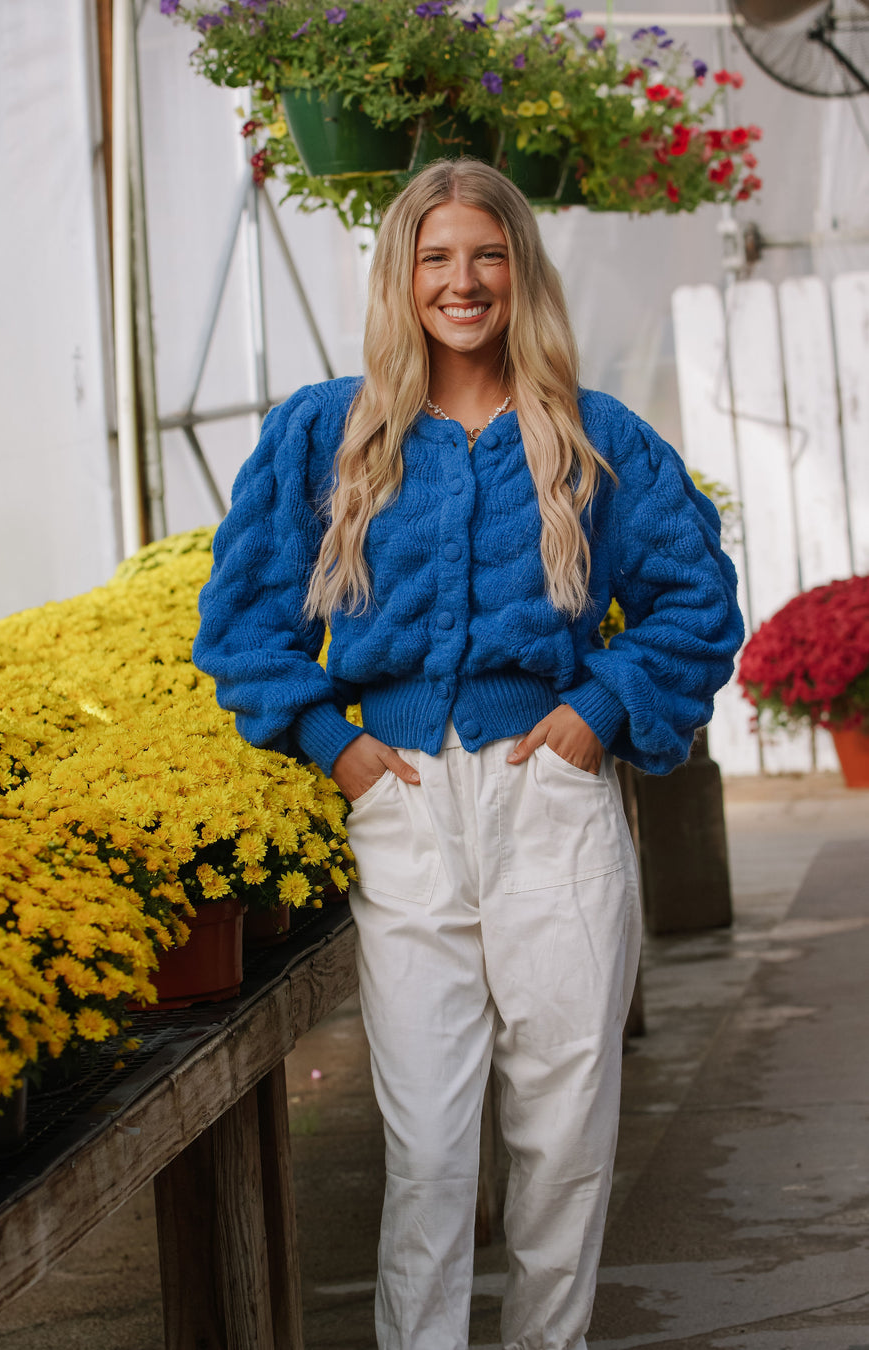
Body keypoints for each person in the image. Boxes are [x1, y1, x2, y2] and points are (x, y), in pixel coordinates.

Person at [193, 157, 744, 1350]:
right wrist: (329, 743)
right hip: (400, 809)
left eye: (486, 254)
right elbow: (242, 621)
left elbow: (695, 604)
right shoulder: (323, 436)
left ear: (520, 270)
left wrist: (595, 716)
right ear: (401, 276)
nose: (463, 280)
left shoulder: (594, 439)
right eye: (436, 257)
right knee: (430, 1148)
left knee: (563, 1138)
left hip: (549, 803)